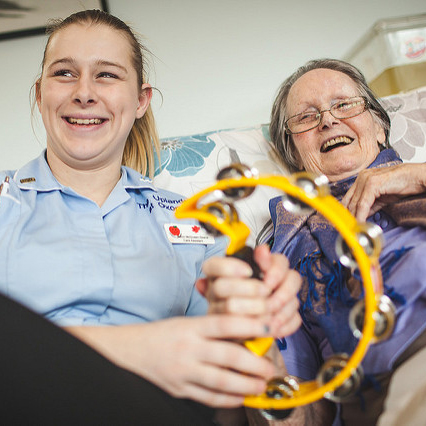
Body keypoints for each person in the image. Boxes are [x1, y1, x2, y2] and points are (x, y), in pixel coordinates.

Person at [0, 9, 302, 424]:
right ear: (40, 94)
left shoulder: (194, 223)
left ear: (141, 100)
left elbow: (248, 405)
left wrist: (254, 333)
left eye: (106, 75)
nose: (84, 93)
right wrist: (137, 351)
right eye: (65, 73)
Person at [259, 58, 426, 425]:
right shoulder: (287, 251)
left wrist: (417, 177)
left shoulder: (421, 179)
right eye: (306, 117)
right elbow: (302, 413)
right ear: (293, 155)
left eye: (344, 104)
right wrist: (256, 352)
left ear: (380, 127)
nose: (328, 120)